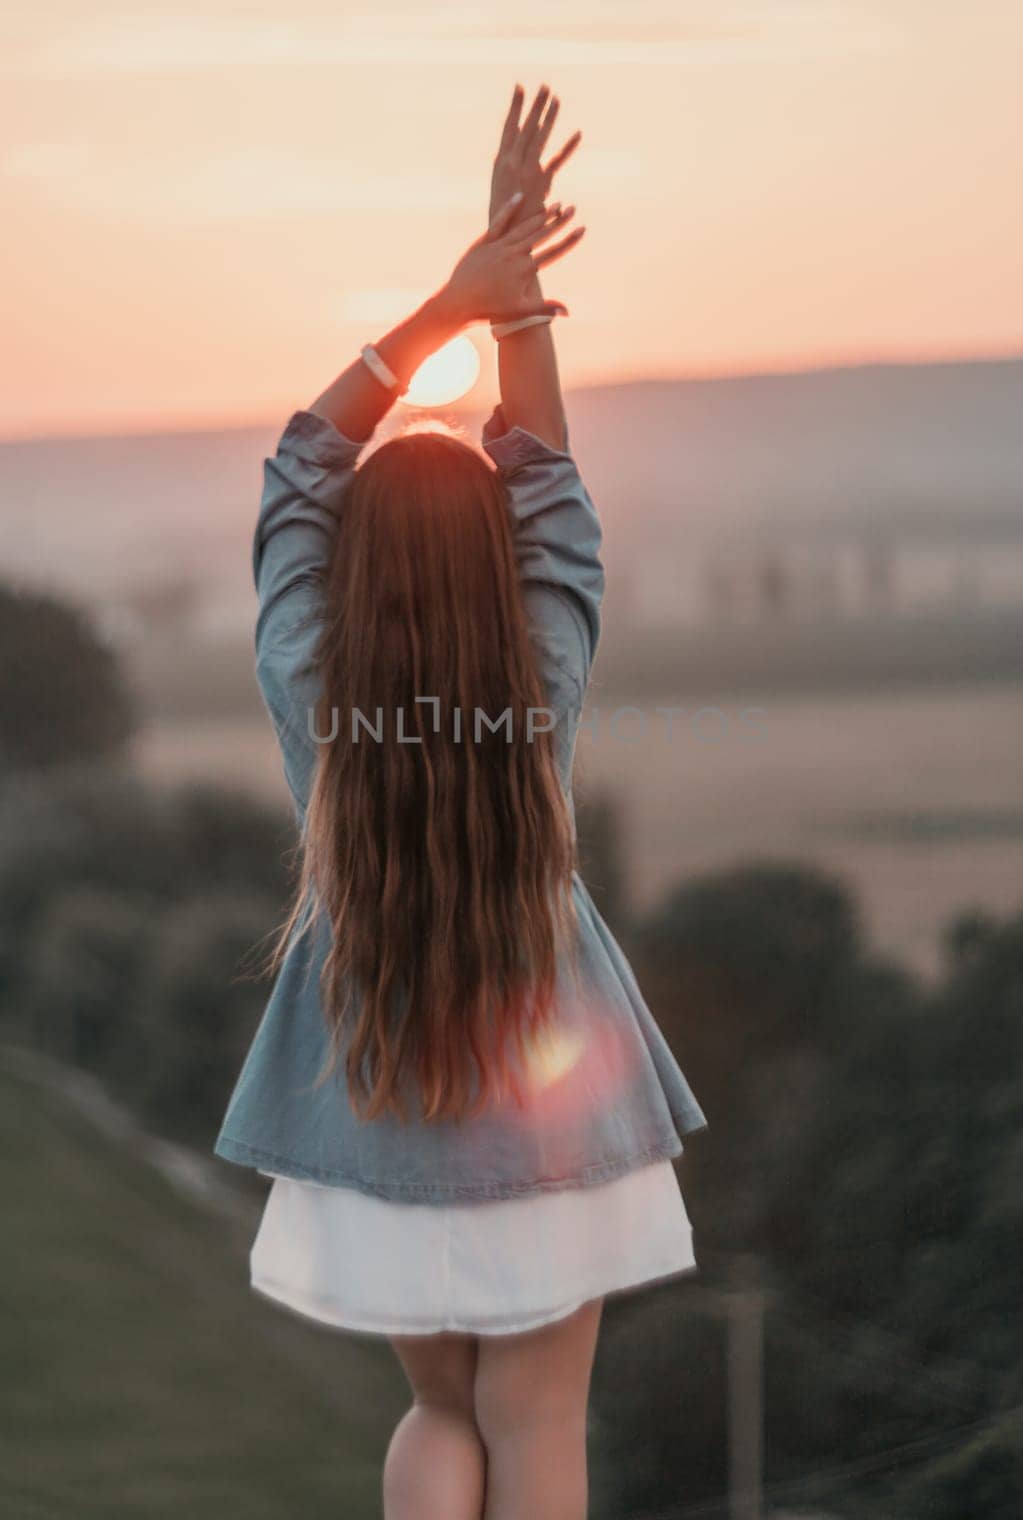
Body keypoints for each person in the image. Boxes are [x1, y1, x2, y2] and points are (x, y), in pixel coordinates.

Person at [215, 83, 707, 1520]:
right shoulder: (538, 673)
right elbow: (550, 487)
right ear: (503, 577)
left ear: (347, 581)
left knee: (444, 1413)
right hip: (553, 1114)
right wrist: (518, 303)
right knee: (537, 1417)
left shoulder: (309, 678)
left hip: (367, 1100)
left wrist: (444, 303)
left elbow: (299, 473)